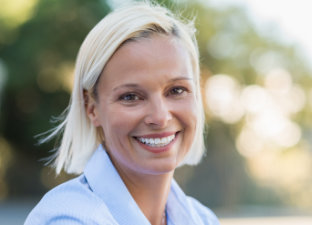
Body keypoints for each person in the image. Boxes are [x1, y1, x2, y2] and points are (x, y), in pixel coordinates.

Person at [24, 2, 219, 225]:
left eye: (177, 90)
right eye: (131, 97)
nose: (160, 117)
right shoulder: (69, 219)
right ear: (91, 107)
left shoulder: (204, 219)